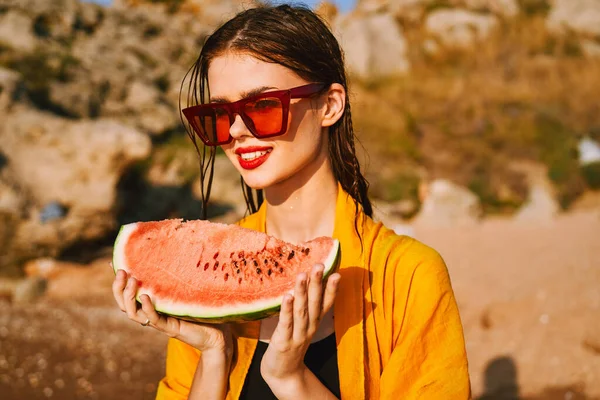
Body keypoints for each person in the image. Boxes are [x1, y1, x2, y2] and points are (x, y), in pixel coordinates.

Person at [112, 4, 471, 399]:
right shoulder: (206, 276)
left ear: (330, 105)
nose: (236, 131)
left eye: (263, 106)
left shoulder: (409, 276)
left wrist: (290, 378)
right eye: (218, 113)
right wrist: (214, 352)